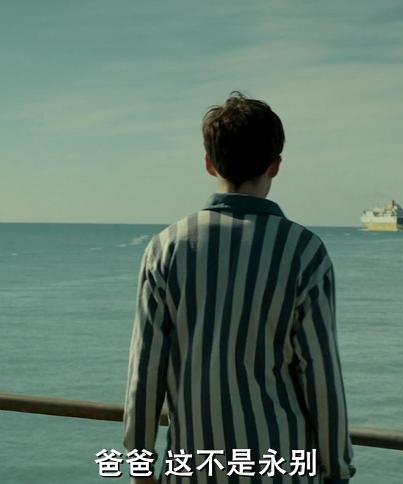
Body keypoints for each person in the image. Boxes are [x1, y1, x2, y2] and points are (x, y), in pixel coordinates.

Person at [122, 91, 355, 483]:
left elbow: (145, 372)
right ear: (275, 166)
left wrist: (141, 469)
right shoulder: (303, 251)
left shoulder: (166, 248)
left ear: (209, 163)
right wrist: (336, 470)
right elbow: (321, 376)